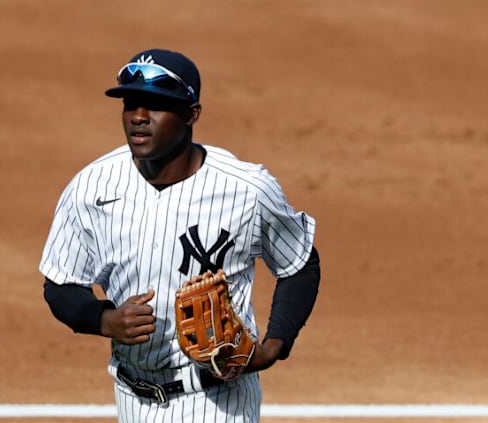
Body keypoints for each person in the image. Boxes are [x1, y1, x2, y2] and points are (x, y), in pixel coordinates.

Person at [39, 48, 321, 422]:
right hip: (131, 397)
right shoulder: (92, 187)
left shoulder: (246, 189)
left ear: (192, 114)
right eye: (130, 104)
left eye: (155, 105)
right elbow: (59, 284)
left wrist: (273, 346)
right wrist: (104, 320)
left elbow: (300, 263)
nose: (138, 117)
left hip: (219, 402)